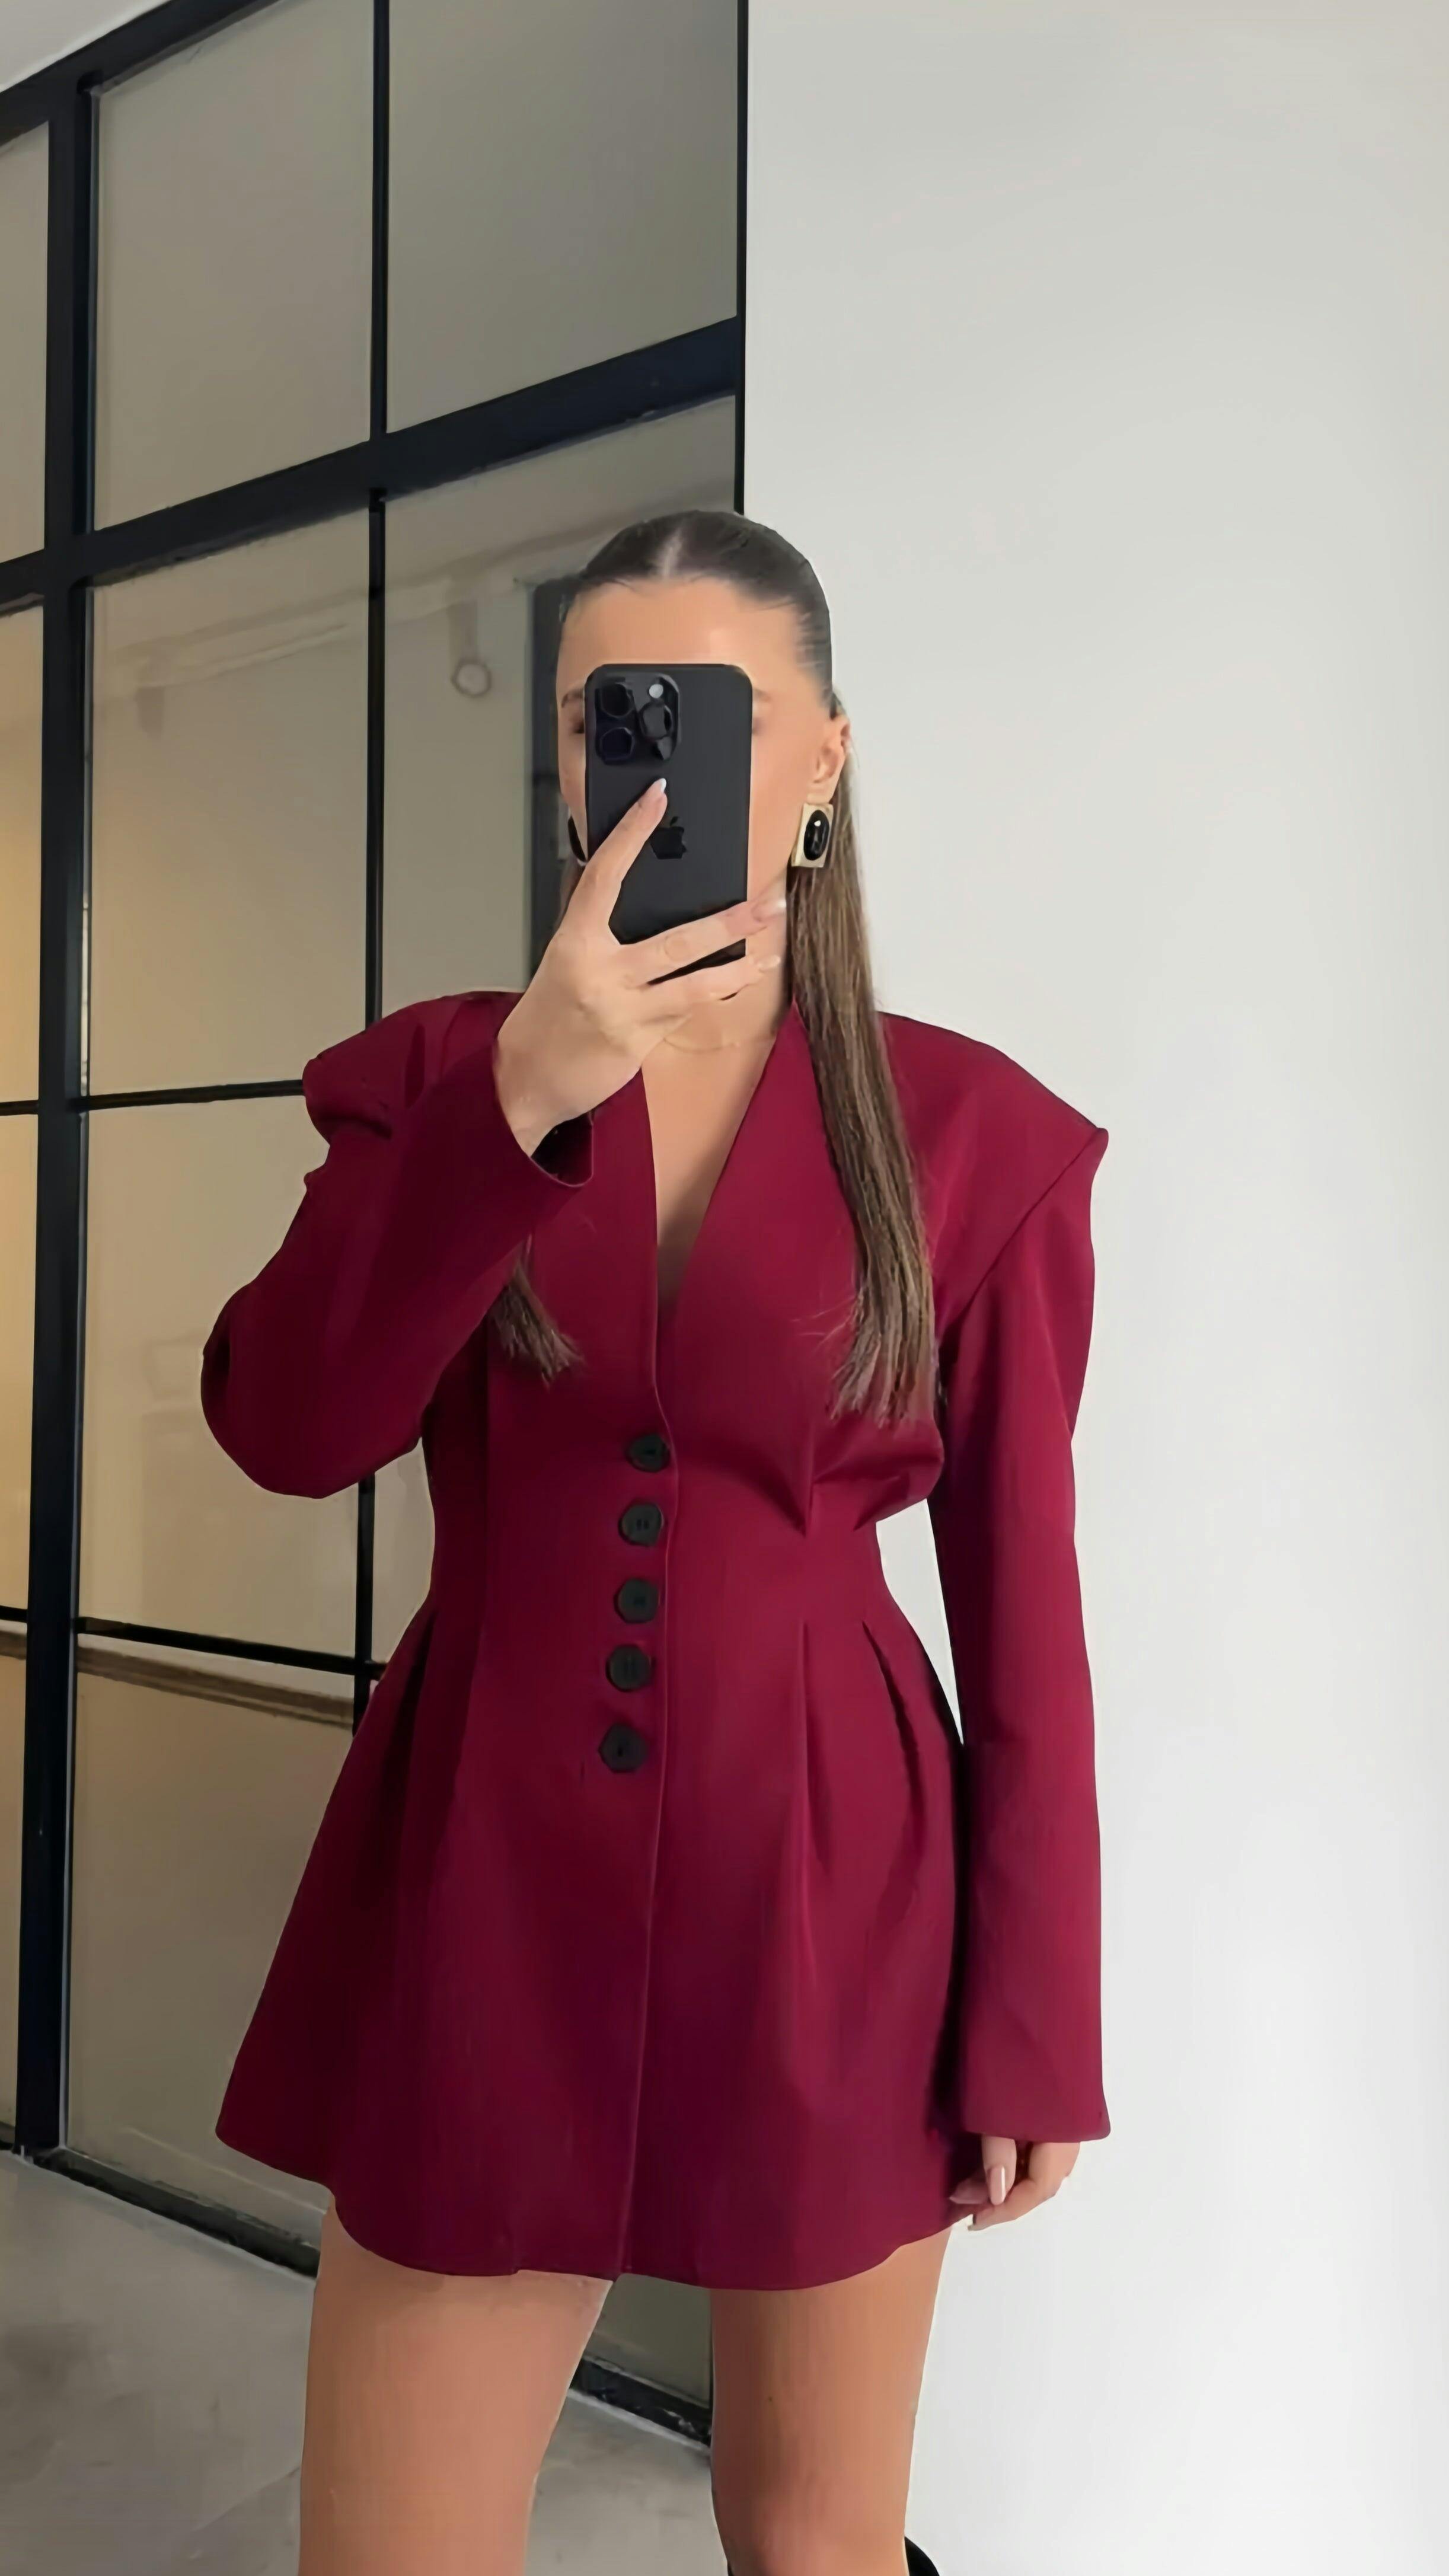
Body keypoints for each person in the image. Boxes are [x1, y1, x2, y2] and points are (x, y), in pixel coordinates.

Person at [199, 507, 1110, 2576]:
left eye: (707, 713)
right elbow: (285, 1427)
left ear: (821, 758)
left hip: (838, 1891)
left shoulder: (972, 1136)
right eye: (601, 719)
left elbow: (1023, 1614)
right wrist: (522, 1093)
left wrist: (1036, 2010)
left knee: (814, 2540)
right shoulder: (437, 1078)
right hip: (486, 1867)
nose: (644, 763)